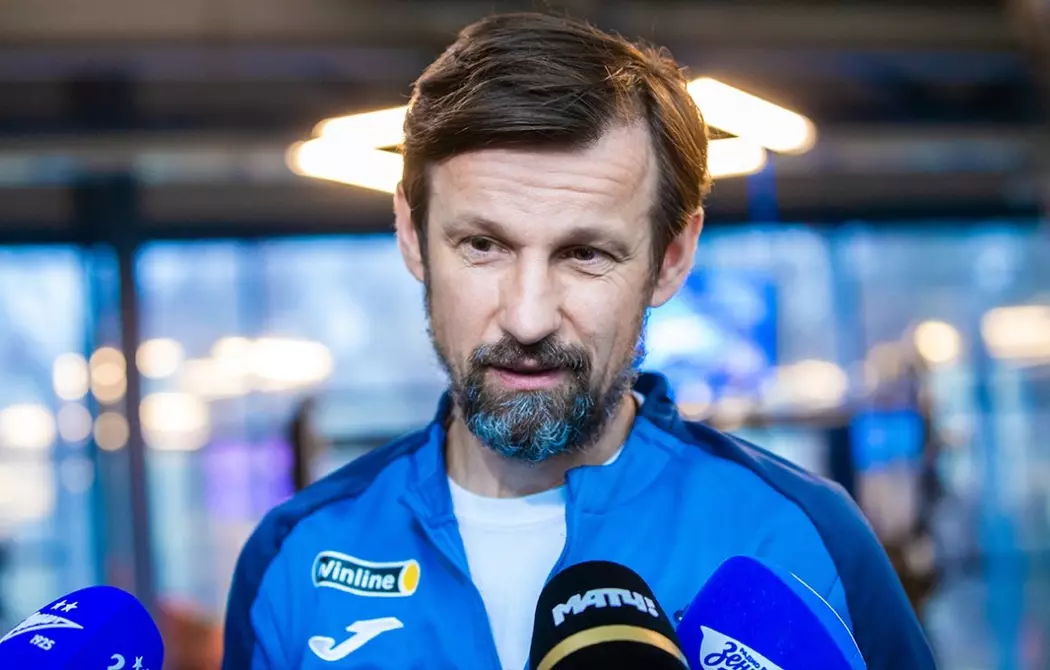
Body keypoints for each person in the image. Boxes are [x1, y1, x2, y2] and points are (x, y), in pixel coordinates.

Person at [222, 12, 937, 669]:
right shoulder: (297, 558)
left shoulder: (798, 537)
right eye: (483, 245)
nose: (528, 318)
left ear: (672, 257)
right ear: (412, 234)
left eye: (585, 254)